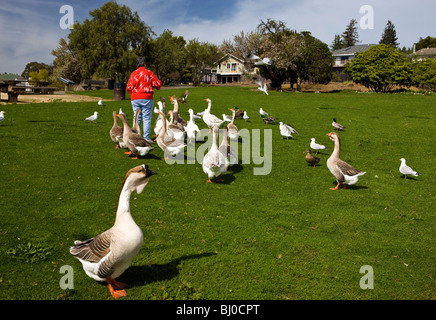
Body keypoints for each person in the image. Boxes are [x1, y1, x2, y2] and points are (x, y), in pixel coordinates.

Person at [126, 56, 162, 143]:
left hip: (135, 98)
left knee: (137, 117)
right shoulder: (148, 73)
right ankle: (146, 138)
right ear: (145, 64)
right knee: (146, 118)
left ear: (137, 64)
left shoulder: (133, 73)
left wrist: (134, 94)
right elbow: (158, 84)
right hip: (147, 97)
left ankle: (135, 137)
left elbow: (128, 87)